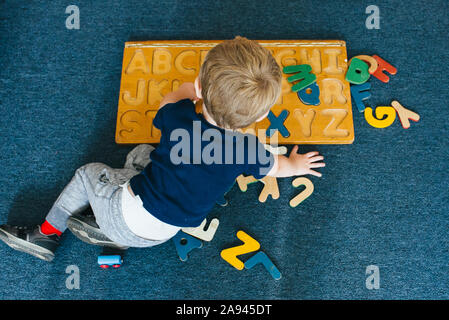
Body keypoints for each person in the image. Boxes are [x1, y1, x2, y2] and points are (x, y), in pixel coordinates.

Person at [0, 36, 325, 261]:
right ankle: (105, 229)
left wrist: (190, 90)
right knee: (142, 155)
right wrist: (297, 163)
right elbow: (279, 167)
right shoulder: (246, 150)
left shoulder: (179, 117)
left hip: (124, 213)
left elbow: (171, 99)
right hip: (163, 234)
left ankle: (45, 234)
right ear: (263, 115)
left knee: (89, 173)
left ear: (200, 86)